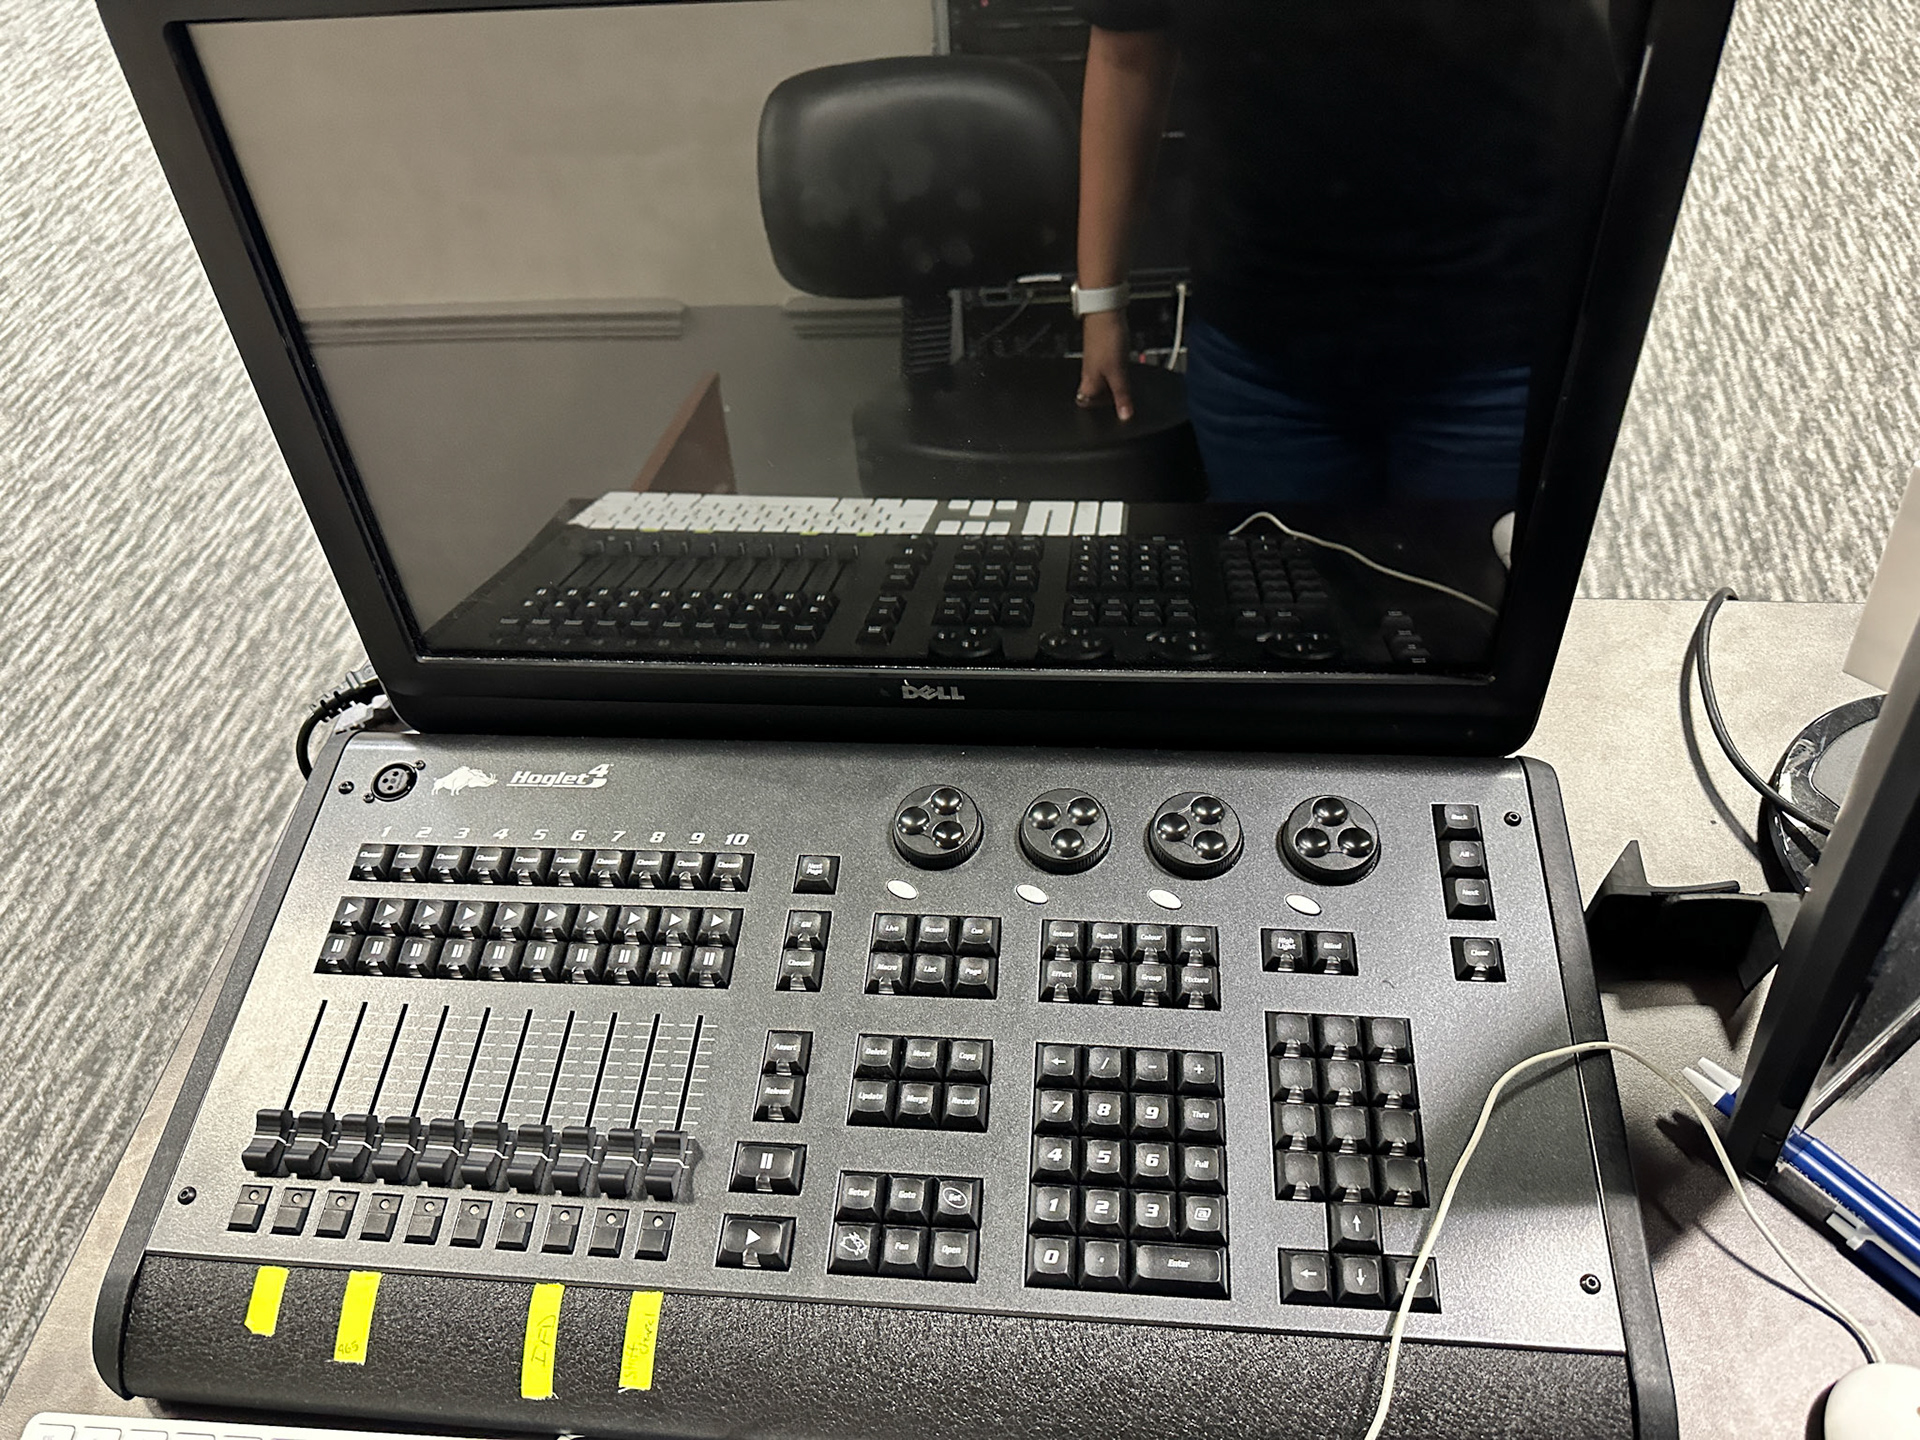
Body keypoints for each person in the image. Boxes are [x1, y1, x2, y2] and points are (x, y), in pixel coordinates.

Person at [1072, 0, 1628, 505]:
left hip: (1496, 346)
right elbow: (1126, 56)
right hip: (1262, 355)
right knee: (1279, 582)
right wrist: (1100, 301)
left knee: (1486, 585)